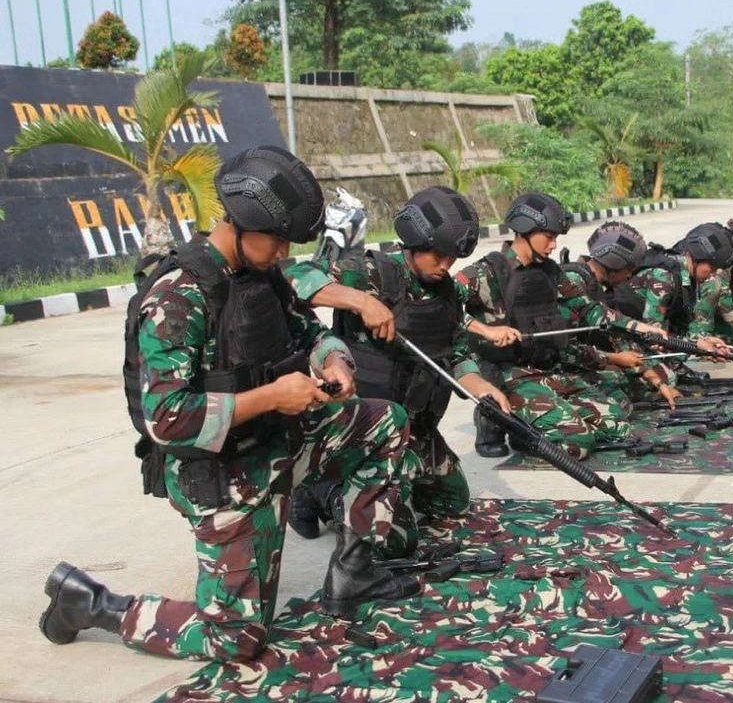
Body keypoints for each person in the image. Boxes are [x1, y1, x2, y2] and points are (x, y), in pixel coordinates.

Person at [38, 146, 422, 662]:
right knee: (237, 640)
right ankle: (92, 604)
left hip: (277, 442)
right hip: (224, 477)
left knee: (385, 422)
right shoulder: (179, 295)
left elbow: (308, 330)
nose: (284, 252)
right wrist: (272, 396)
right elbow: (166, 419)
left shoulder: (262, 274)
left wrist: (335, 361)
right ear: (240, 223)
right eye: (278, 240)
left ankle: (354, 573)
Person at [283, 187, 512, 543]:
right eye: (439, 254)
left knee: (452, 503)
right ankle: (317, 492)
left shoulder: (448, 293)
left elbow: (457, 354)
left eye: (452, 257)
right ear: (415, 240)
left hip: (416, 427)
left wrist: (481, 387)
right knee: (388, 537)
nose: (446, 265)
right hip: (365, 428)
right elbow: (293, 279)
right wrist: (361, 301)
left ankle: (385, 487)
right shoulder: (374, 273)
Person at [456, 192, 662, 460]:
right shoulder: (487, 272)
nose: (554, 245)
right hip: (507, 374)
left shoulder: (551, 273)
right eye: (549, 237)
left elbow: (590, 310)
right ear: (525, 230)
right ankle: (496, 419)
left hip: (546, 369)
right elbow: (442, 308)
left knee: (617, 425)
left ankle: (532, 424)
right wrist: (485, 330)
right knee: (578, 443)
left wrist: (642, 329)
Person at [560, 221, 684, 409]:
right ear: (614, 264)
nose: (629, 277)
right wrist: (613, 358)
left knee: (664, 377)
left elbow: (618, 338)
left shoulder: (598, 287)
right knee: (621, 403)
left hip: (587, 359)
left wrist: (659, 384)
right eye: (628, 270)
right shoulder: (573, 282)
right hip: (563, 364)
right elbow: (567, 348)